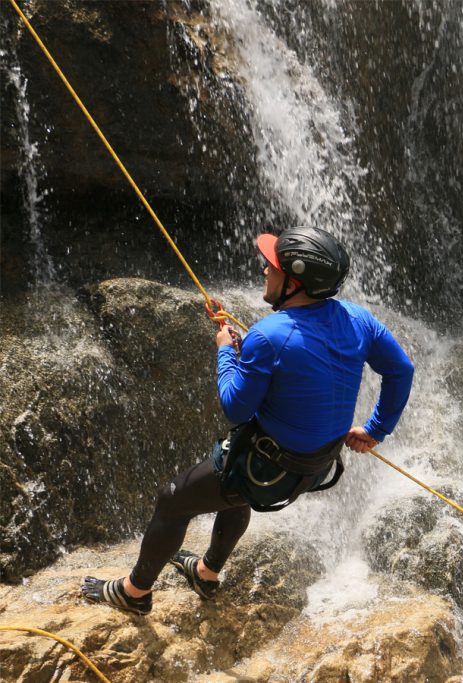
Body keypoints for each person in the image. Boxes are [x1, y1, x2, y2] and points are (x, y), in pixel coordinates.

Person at [82, 226, 414, 615]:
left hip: (268, 470)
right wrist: (376, 430)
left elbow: (235, 408)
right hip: (313, 467)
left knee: (172, 501)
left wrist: (226, 352)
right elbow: (401, 370)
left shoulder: (271, 335)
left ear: (294, 281)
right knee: (230, 483)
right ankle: (206, 573)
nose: (264, 271)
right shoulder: (358, 319)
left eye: (271, 267)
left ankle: (134, 593)